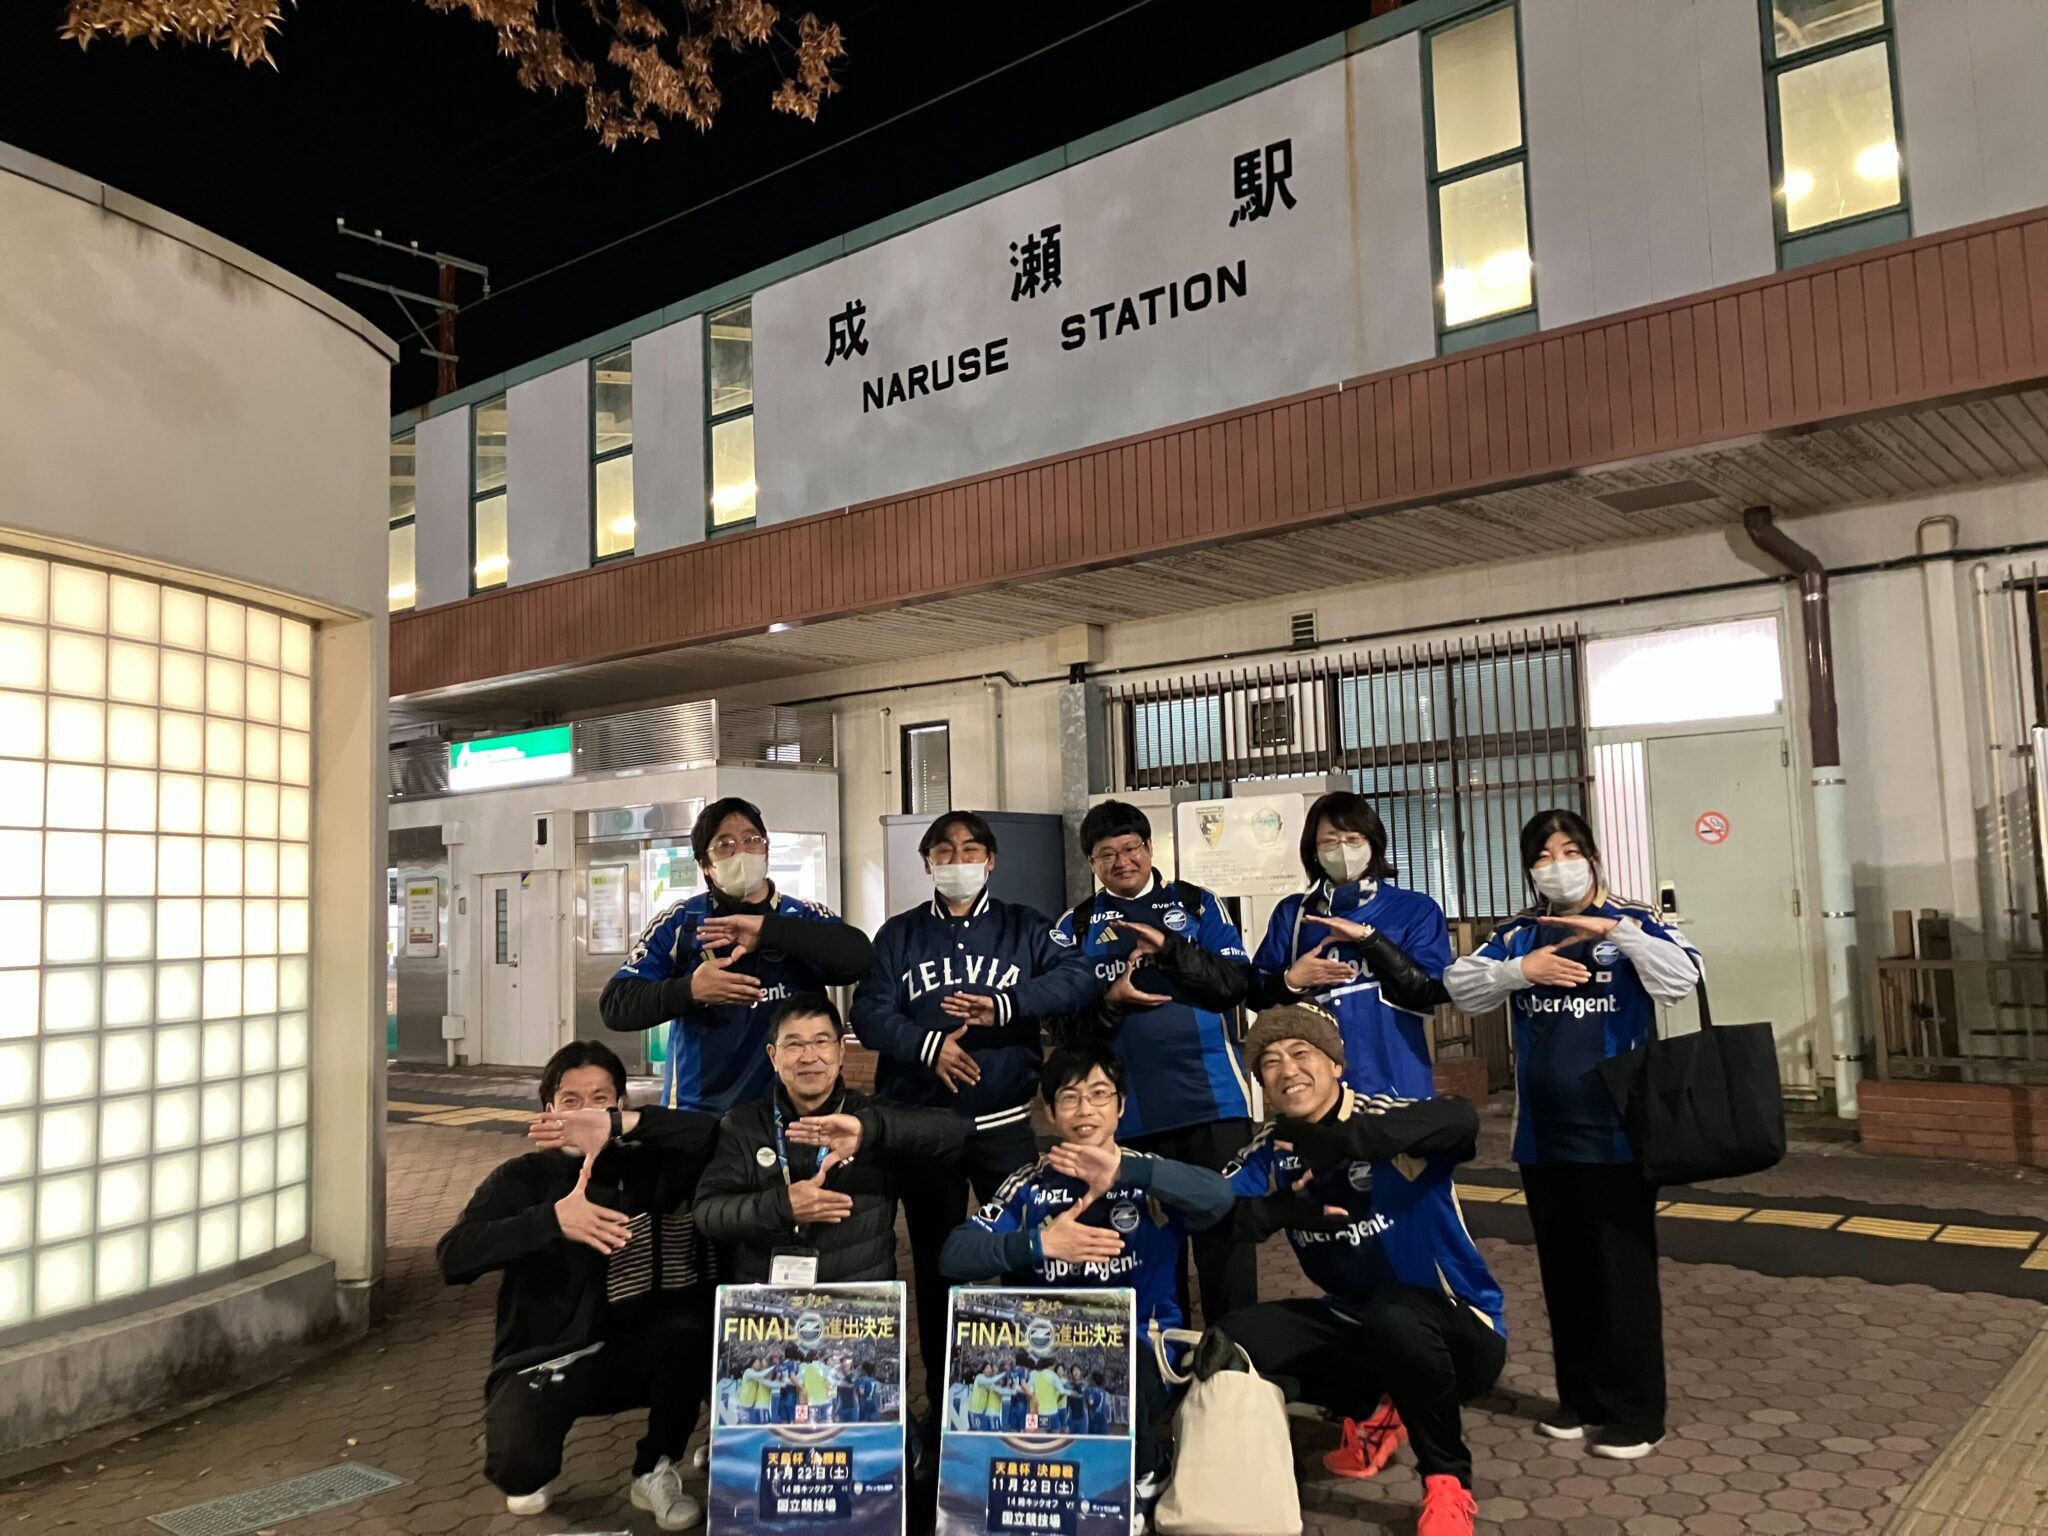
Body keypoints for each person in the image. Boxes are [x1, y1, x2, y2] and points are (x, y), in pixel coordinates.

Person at [1445, 808, 1701, 1461]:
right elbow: (1460, 985)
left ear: (1591, 856)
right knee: (1565, 1272)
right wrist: (1520, 972)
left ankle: (1637, 1411)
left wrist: (1618, 933)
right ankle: (1580, 1398)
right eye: (1542, 856)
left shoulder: (1634, 919)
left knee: (1623, 1273)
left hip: (1619, 1135)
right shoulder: (1519, 934)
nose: (1557, 865)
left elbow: (1683, 978)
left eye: (1568, 850)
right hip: (1544, 1136)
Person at [849, 810, 1103, 1423]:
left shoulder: (1026, 926)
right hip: (923, 1129)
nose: (957, 861)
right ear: (927, 863)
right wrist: (927, 1046)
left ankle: (1032, 1400)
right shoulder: (899, 934)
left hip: (1005, 1126)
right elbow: (869, 1012)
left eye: (969, 850)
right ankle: (945, 1409)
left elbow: (1078, 978)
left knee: (1024, 1255)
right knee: (938, 1266)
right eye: (944, 851)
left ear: (990, 861)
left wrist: (1006, 1005)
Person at [1217, 1005, 1504, 1536]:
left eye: (1301, 1053)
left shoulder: (1380, 1114)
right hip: (1358, 1321)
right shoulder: (1271, 1147)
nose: (1287, 1070)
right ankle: (1374, 1411)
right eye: (1269, 1062)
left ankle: (1447, 1483)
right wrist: (1276, 1211)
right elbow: (1217, 1210)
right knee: (1238, 1336)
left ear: (1335, 1065)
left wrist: (1348, 1142)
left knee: (1396, 1316)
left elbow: (1460, 1120)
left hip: (1460, 1333)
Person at [938, 1040, 1234, 1515]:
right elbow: (954, 1256)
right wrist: (1039, 1244)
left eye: (1099, 1094)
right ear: (1050, 1112)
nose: (1085, 1109)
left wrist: (1128, 1172)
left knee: (1118, 1360)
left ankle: (1144, 1472)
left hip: (1143, 1350)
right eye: (1070, 1097)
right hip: (1049, 1354)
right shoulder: (1029, 1184)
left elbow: (1219, 1198)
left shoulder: (1150, 1176)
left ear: (1120, 1106)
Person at [437, 1040, 718, 1530]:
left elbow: (712, 1135)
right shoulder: (521, 1178)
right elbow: (453, 1258)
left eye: (601, 1100)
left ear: (621, 1106)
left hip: (635, 1352)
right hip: (547, 1359)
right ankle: (522, 1441)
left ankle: (653, 1469)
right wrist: (550, 1221)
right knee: (520, 1480)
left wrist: (624, 1127)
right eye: (571, 1100)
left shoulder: (648, 1166)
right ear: (548, 1109)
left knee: (688, 1334)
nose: (586, 1112)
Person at [1053, 799, 1260, 1322]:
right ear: (1092, 863)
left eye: (1131, 848)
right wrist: (1111, 1002)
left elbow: (1235, 984)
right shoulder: (1076, 924)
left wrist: (1170, 950)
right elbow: (1062, 1027)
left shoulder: (1196, 905)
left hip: (1213, 1104)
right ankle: (1163, 1362)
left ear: (1149, 848)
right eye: (1106, 854)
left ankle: (1233, 1360)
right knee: (1148, 1255)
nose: (1122, 862)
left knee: (1226, 1246)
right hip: (1129, 1116)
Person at [600, 796, 874, 1114]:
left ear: (766, 850)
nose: (741, 851)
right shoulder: (682, 922)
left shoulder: (802, 916)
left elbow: (858, 958)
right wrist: (690, 991)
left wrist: (769, 931)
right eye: (725, 845)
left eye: (751, 839)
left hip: (793, 1113)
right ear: (705, 864)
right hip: (702, 1115)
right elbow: (615, 1005)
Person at [694, 992, 962, 1284]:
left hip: (858, 1301)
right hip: (769, 1302)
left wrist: (869, 1130)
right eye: (794, 1044)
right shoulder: (743, 1125)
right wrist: (782, 1207)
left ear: (841, 1051)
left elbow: (954, 1132)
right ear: (773, 1056)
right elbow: (708, 1213)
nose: (809, 1057)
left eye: (821, 1042)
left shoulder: (872, 1116)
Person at [1249, 791, 1452, 1100]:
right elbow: (1254, 993)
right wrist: (1292, 980)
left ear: (1373, 844)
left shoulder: (1415, 910)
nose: (1342, 850)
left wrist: (1369, 940)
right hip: (1317, 1093)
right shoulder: (1293, 914)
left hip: (1398, 1084)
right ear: (1314, 851)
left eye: (1353, 839)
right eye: (1330, 841)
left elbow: (1429, 991)